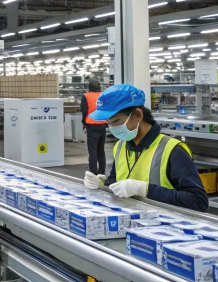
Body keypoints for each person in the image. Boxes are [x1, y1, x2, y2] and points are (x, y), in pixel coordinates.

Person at [83, 84, 208, 212]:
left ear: (138, 114)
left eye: (115, 122)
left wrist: (145, 189)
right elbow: (117, 183)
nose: (112, 128)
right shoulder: (120, 146)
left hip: (164, 222)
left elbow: (199, 202)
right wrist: (102, 185)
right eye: (108, 123)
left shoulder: (172, 150)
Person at [81, 79, 108, 176]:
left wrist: (84, 123)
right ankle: (102, 173)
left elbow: (84, 111)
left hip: (91, 125)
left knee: (93, 151)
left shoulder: (86, 96)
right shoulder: (103, 95)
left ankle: (93, 172)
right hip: (102, 124)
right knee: (101, 151)